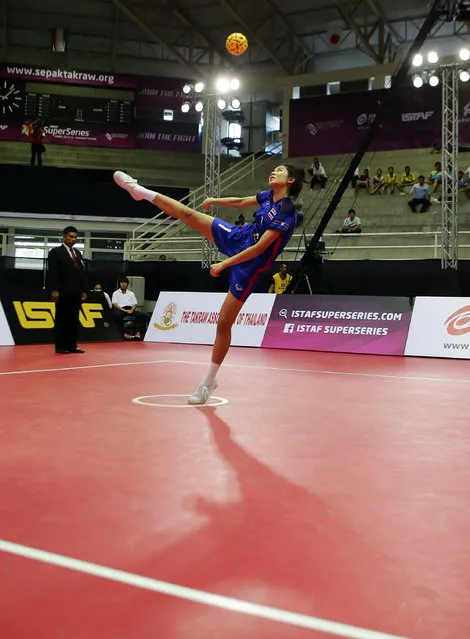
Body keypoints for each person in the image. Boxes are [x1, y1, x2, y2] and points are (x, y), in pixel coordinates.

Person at [113, 165, 302, 404]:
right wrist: (216, 199)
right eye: (273, 168)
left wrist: (224, 264)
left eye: (280, 170)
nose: (274, 171)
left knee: (223, 322)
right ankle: (139, 190)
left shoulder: (287, 211)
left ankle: (208, 381)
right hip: (239, 236)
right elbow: (243, 201)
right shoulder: (267, 196)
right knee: (190, 215)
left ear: (291, 180)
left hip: (250, 266)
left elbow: (259, 249)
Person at [47, 226, 86, 354]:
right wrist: (54, 290)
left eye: (75, 237)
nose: (72, 239)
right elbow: (53, 273)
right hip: (62, 292)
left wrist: (83, 290)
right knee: (62, 319)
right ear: (64, 236)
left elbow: (81, 273)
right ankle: (60, 346)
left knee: (74, 320)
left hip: (76, 292)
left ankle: (72, 345)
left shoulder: (78, 253)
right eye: (70, 236)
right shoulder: (56, 252)